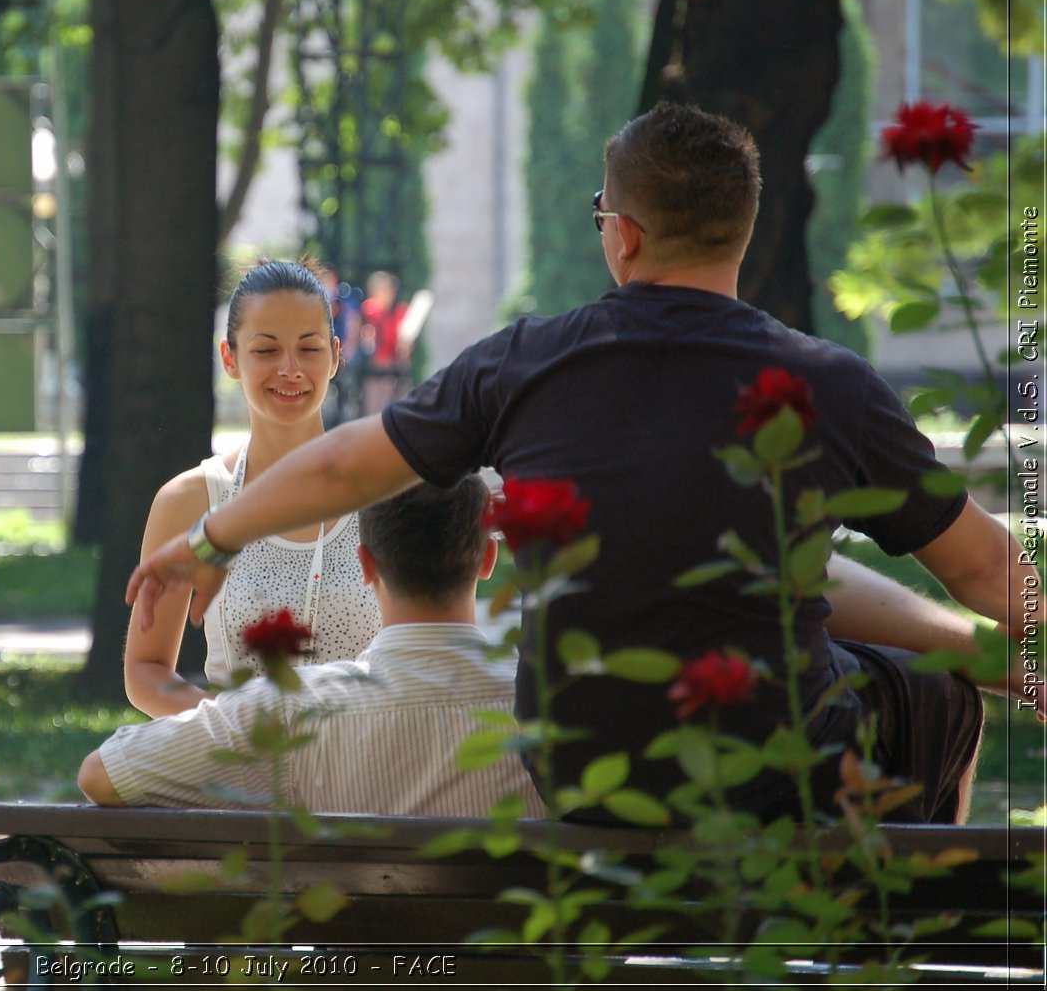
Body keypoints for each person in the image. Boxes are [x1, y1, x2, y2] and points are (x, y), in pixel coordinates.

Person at [129, 103, 1038, 825]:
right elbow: (984, 566)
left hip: (580, 771)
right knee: (939, 699)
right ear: (743, 231)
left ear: (625, 234)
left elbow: (342, 470)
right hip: (775, 768)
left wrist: (211, 539)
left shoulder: (525, 363)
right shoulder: (831, 386)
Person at [85, 477, 545, 817]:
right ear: (487, 559)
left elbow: (101, 775)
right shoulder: (549, 711)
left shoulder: (295, 712)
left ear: (366, 565)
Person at [123, 260, 382, 718]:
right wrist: (240, 727)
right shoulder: (190, 499)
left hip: (366, 765)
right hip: (244, 773)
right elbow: (145, 669)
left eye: (309, 348)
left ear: (336, 354)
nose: (290, 369)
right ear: (230, 358)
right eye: (265, 351)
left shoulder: (383, 490)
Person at [359, 270, 412, 414]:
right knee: (375, 412)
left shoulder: (400, 312)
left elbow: (405, 342)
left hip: (396, 371)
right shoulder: (371, 310)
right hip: (376, 370)